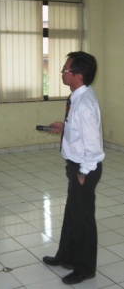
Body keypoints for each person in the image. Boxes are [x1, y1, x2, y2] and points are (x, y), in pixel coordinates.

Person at [42, 51, 105, 285]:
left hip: (84, 169)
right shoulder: (79, 97)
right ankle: (65, 256)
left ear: (78, 75)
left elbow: (94, 147)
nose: (61, 72)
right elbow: (81, 132)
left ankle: (85, 268)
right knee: (72, 215)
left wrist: (83, 173)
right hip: (76, 166)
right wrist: (65, 126)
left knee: (83, 221)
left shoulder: (85, 104)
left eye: (65, 69)